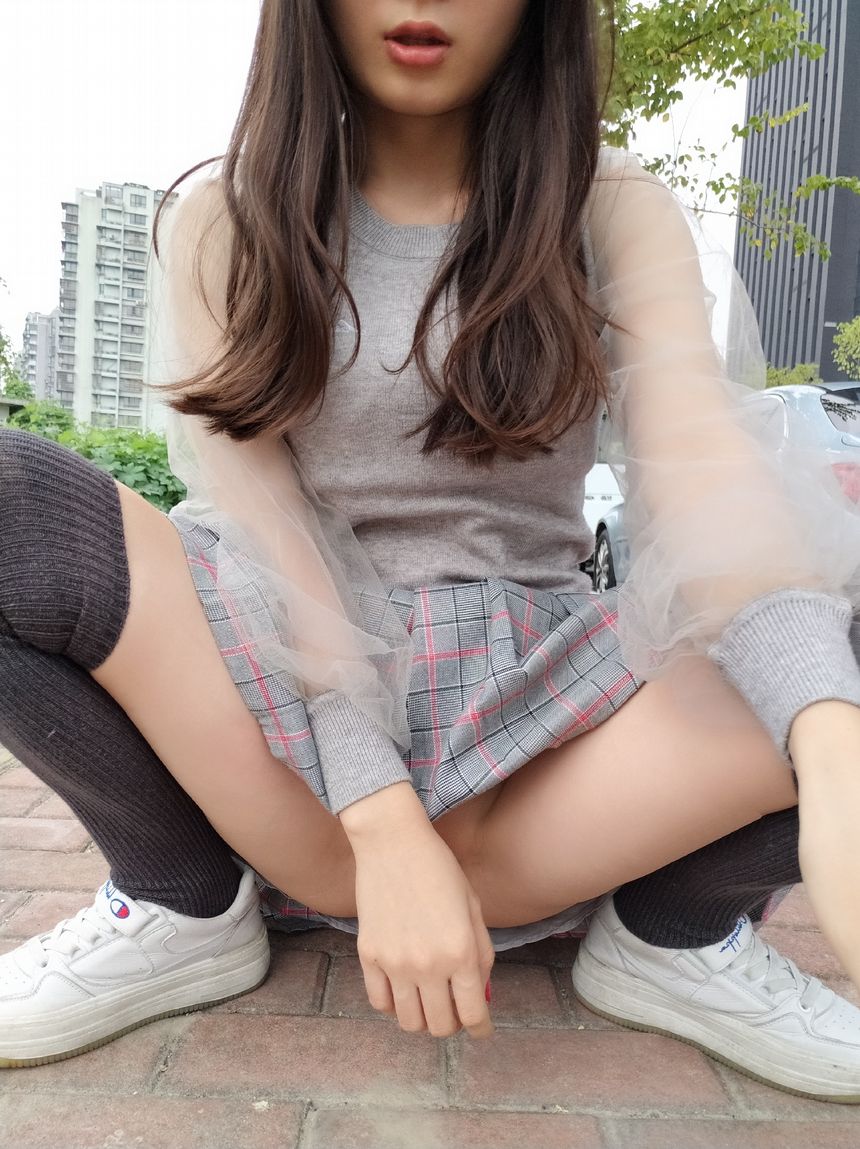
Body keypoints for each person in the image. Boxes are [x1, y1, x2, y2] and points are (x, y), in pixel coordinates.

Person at [3, 0, 860, 1103]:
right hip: (288, 702)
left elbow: (705, 479)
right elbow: (273, 537)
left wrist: (828, 740)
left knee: (812, 644)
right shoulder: (225, 217)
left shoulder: (610, 205)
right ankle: (181, 893)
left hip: (552, 736)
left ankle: (676, 929)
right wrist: (381, 818)